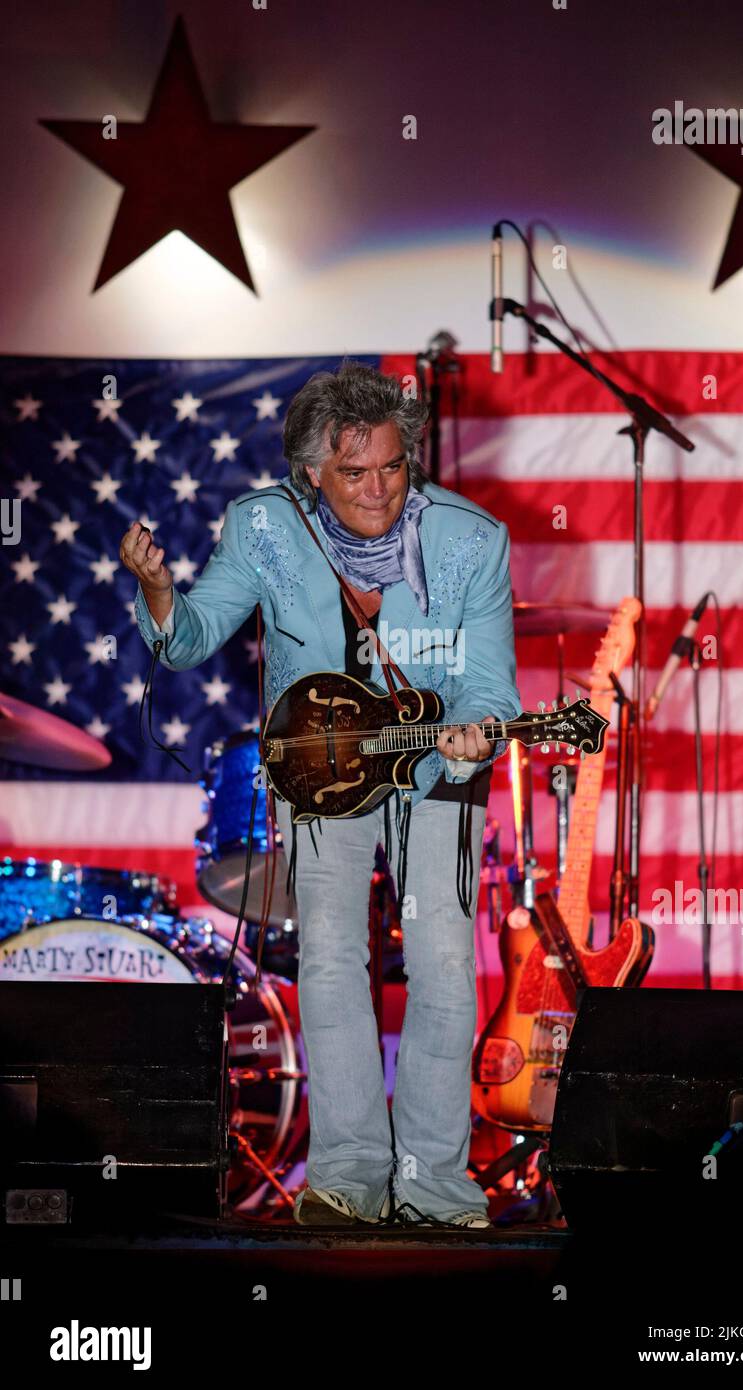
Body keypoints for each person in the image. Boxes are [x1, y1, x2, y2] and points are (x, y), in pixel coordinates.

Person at [120, 361, 520, 1228]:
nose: (377, 489)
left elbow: (493, 686)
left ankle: (433, 1185)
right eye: (353, 472)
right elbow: (187, 640)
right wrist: (158, 591)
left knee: (445, 963)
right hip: (318, 770)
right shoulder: (262, 528)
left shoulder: (472, 540)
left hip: (437, 771)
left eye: (390, 467)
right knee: (333, 962)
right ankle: (344, 1176)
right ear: (310, 472)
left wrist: (474, 727)